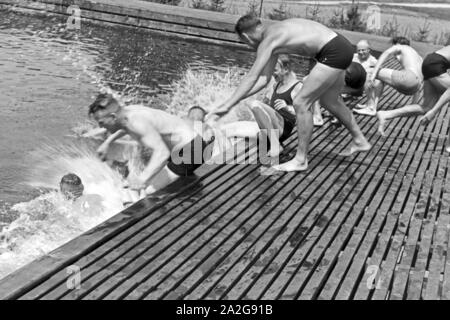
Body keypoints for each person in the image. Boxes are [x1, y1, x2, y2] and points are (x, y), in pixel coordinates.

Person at [208, 15, 370, 172]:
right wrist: (237, 99)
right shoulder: (275, 33)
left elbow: (252, 77)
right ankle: (360, 140)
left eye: (244, 42)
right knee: (330, 101)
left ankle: (300, 160)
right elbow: (264, 79)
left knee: (301, 102)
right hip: (341, 46)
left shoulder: (268, 42)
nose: (248, 45)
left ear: (246, 37)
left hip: (332, 51)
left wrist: (227, 105)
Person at [89, 94, 214, 195]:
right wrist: (107, 143)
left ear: (112, 116)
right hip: (184, 147)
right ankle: (188, 184)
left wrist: (142, 180)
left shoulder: (136, 122)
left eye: (101, 122)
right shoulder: (127, 113)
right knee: (152, 180)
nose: (100, 126)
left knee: (150, 194)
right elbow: (123, 127)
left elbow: (162, 152)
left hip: (192, 150)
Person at [378, 46, 450, 143]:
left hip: (430, 62)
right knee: (431, 109)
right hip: (435, 64)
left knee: (427, 107)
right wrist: (434, 112)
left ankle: (386, 114)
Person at [368, 37, 423, 128]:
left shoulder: (400, 46)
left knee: (369, 71)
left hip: (407, 78)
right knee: (382, 77)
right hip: (414, 86)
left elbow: (386, 53)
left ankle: (370, 106)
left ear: (396, 44)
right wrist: (413, 106)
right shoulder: (418, 57)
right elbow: (420, 84)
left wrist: (374, 73)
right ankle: (373, 106)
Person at [351, 40, 384, 114]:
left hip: (362, 83)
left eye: (363, 50)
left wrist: (372, 72)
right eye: (359, 50)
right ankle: (369, 105)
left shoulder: (373, 60)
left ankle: (371, 106)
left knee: (379, 81)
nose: (361, 52)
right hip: (351, 82)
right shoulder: (353, 56)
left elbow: (380, 69)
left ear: (368, 50)